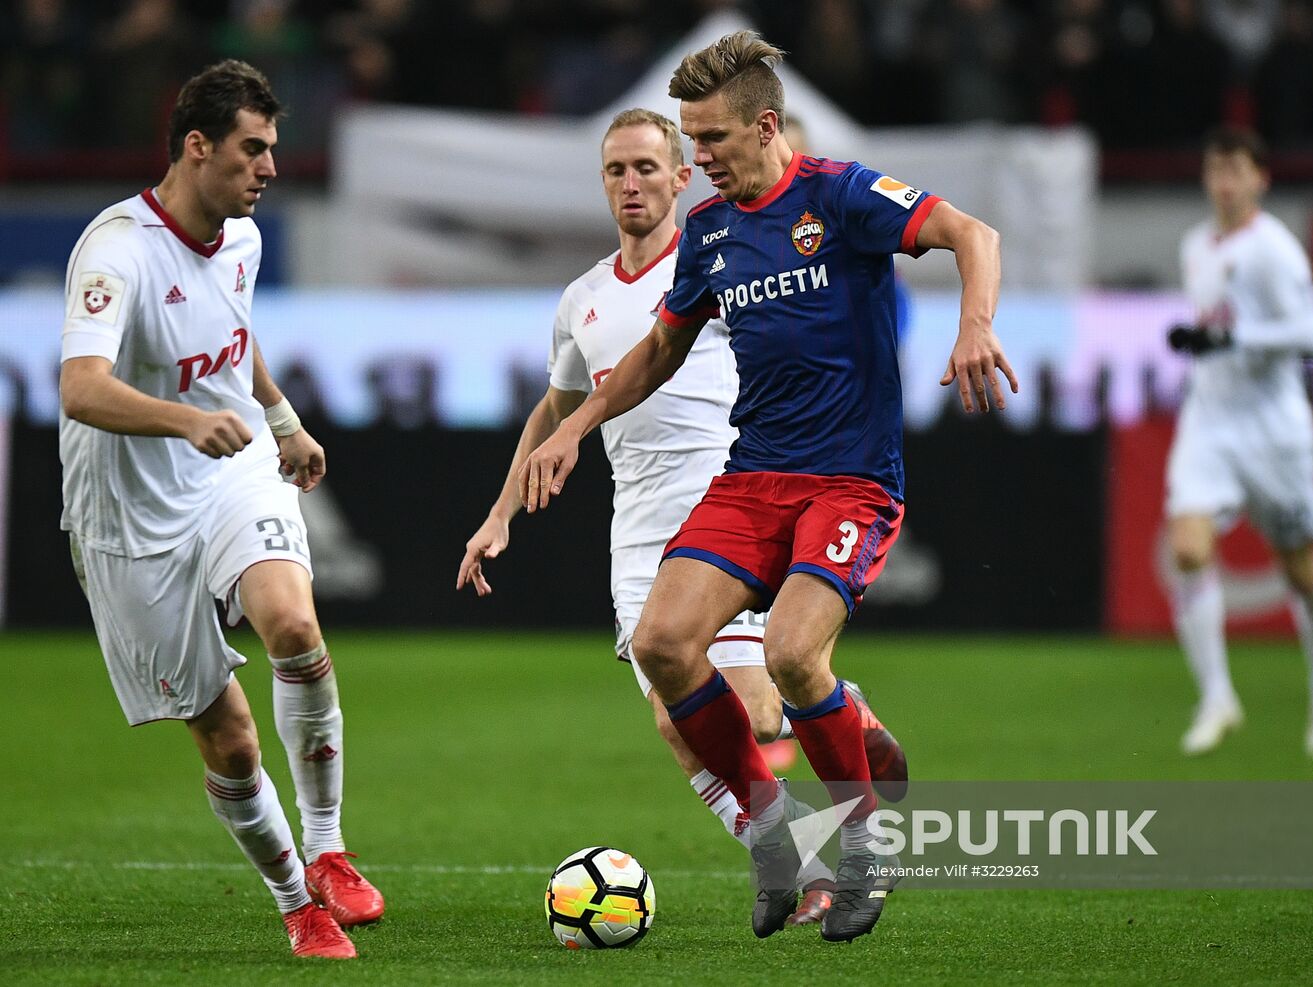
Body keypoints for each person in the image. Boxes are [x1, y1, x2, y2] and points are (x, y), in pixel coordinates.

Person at [520, 31, 1015, 942]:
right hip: (753, 480)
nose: (696, 159)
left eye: (709, 140)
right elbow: (661, 350)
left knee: (791, 654)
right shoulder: (711, 231)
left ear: (766, 125)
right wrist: (575, 429)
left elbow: (971, 234)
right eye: (689, 139)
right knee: (662, 643)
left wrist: (974, 325)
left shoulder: (842, 194)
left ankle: (864, 848)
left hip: (849, 482)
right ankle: (774, 837)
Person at [456, 107, 912, 929]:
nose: (629, 183)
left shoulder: (721, 254)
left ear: (678, 176)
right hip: (636, 533)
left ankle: (836, 742)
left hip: (730, 502)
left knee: (762, 706)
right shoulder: (583, 298)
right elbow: (558, 408)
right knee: (678, 721)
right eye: (614, 170)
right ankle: (795, 849)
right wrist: (500, 513)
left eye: (644, 167)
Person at [58, 60, 382, 960]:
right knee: (230, 738)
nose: (269, 167)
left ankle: (329, 854)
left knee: (293, 623)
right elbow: (81, 389)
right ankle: (294, 904)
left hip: (227, 472)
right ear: (197, 147)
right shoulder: (115, 249)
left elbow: (234, 335)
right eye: (253, 149)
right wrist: (185, 419)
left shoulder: (241, 237)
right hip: (126, 513)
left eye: (273, 148)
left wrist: (279, 419)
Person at [1165, 125, 1313, 758]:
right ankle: (1217, 696)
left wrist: (1235, 341)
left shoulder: (1276, 251)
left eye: (1235, 171)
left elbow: (1312, 335)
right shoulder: (1196, 245)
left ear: (1259, 179)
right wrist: (1201, 341)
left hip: (1273, 430)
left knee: (1301, 569)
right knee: (1188, 547)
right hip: (1210, 421)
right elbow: (1218, 326)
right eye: (1215, 170)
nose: (1224, 182)